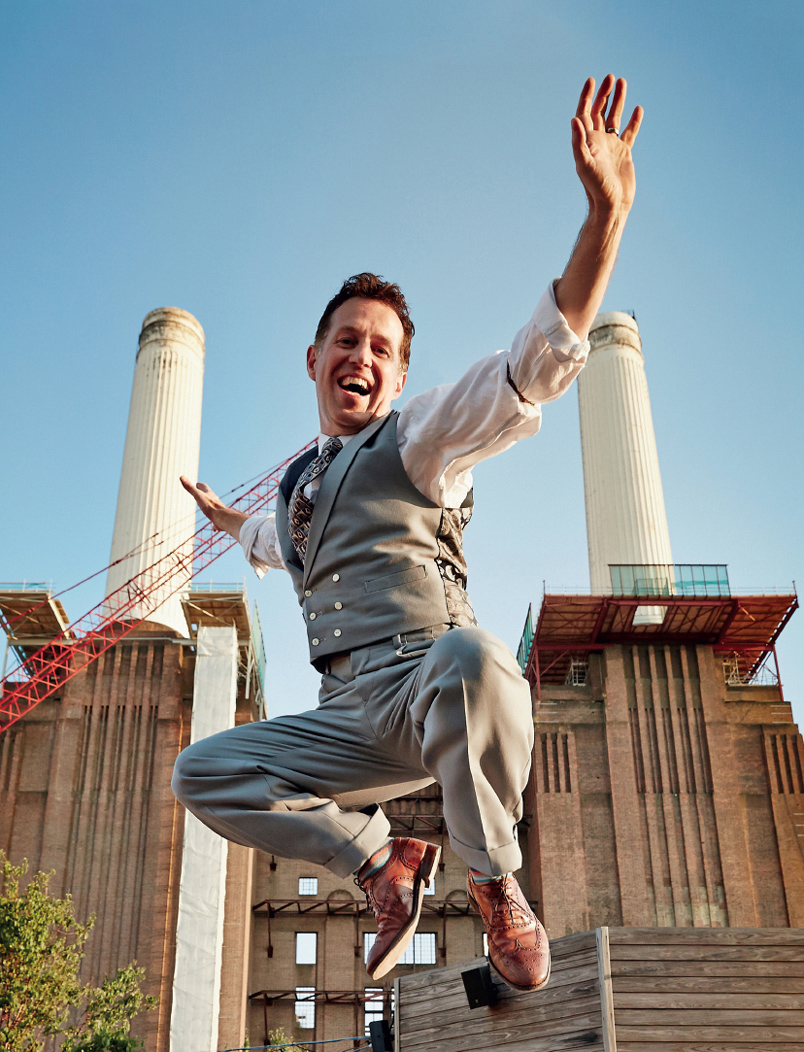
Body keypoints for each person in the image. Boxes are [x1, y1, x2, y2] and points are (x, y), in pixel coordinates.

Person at [173, 75, 642, 991]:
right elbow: (273, 545)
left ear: (398, 375)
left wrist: (604, 219)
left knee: (475, 657)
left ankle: (496, 883)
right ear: (315, 359)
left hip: (435, 683)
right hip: (347, 721)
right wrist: (231, 522)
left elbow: (537, 360)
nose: (363, 358)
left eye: (382, 349)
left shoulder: (421, 436)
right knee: (203, 771)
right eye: (347, 341)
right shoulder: (299, 495)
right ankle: (382, 861)